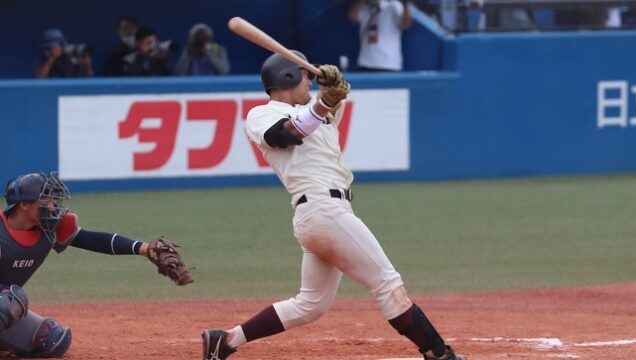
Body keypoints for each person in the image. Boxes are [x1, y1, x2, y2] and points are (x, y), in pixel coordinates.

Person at [200, 52, 466, 360]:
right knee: (387, 283)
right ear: (286, 77)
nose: (310, 82)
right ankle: (438, 354)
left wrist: (333, 88)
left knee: (310, 305)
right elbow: (287, 134)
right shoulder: (263, 114)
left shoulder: (316, 114)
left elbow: (325, 108)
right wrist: (325, 100)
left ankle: (227, 340)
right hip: (322, 210)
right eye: (306, 76)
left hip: (324, 216)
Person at [0, 172, 193, 358]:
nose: (52, 206)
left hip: (7, 306)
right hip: (5, 303)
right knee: (9, 303)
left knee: (52, 339)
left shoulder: (50, 229)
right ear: (24, 205)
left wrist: (143, 249)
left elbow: (93, 240)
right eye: (46, 200)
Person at [348, 0, 412, 71]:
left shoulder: (394, 6)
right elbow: (352, 16)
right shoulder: (364, 8)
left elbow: (406, 23)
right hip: (365, 62)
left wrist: (405, 4)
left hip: (389, 64)